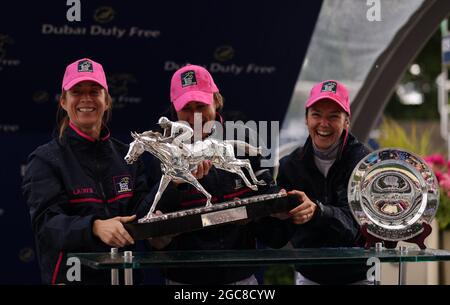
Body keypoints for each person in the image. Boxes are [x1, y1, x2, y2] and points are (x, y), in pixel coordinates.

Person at [147, 64, 288, 285]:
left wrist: (277, 207)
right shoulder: (160, 150)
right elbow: (147, 227)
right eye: (187, 108)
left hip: (241, 279)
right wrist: (175, 185)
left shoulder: (245, 140)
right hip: (183, 282)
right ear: (174, 111)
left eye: (201, 105)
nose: (196, 116)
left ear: (217, 101)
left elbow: (274, 230)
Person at [22, 58, 152, 284]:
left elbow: (143, 212)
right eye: (77, 91)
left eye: (94, 91)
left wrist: (174, 186)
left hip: (125, 277)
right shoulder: (45, 159)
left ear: (107, 100)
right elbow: (46, 226)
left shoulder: (128, 156)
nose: (86, 99)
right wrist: (94, 227)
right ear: (63, 101)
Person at [276, 80, 371, 285]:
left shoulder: (365, 162)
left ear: (347, 121)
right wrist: (272, 214)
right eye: (316, 115)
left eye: (333, 116)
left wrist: (317, 211)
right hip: (310, 277)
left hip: (359, 277)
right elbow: (277, 238)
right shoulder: (290, 165)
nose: (324, 124)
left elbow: (357, 227)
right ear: (306, 118)